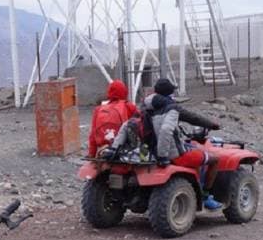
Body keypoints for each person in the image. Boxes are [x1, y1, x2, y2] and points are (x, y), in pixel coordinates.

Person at [144, 78, 223, 210]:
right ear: (169, 93)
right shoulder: (171, 108)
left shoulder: (146, 108)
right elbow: (192, 118)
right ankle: (206, 196)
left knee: (193, 149)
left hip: (151, 152)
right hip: (174, 154)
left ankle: (195, 185)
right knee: (215, 160)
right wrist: (212, 125)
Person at [87, 79, 139, 158]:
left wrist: (91, 154)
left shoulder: (99, 109)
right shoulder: (129, 106)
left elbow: (93, 135)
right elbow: (140, 126)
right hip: (121, 150)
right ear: (125, 92)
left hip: (103, 150)